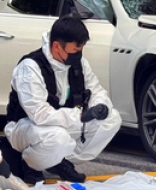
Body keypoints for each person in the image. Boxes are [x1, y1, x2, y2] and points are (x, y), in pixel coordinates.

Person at [4, 13, 122, 185]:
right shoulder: (30, 67)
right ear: (57, 46)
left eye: (81, 50)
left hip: (60, 124)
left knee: (112, 119)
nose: (78, 55)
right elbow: (39, 114)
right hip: (25, 128)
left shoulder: (78, 64)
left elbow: (95, 89)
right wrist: (80, 117)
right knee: (58, 137)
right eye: (75, 50)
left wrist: (100, 106)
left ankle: (57, 161)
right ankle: (31, 164)